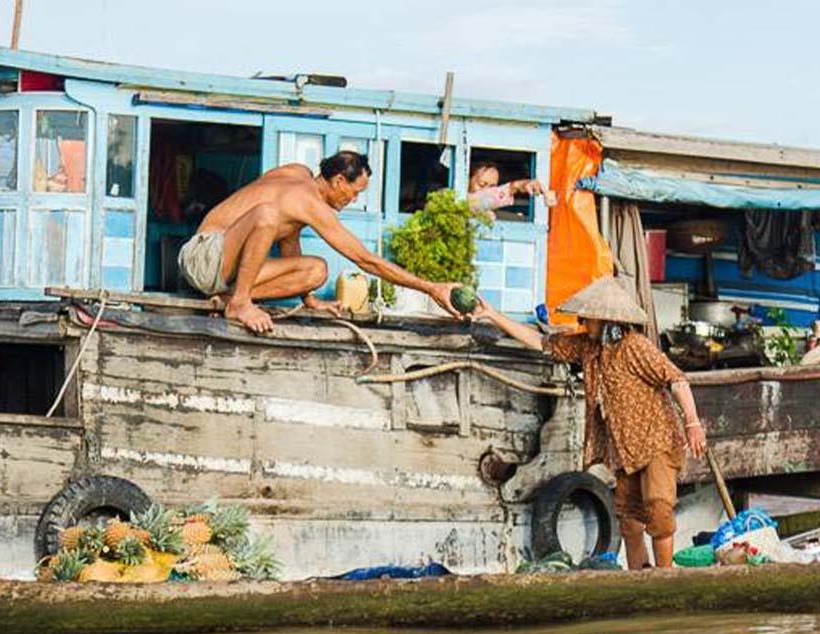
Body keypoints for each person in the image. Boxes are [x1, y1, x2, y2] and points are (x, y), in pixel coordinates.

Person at [474, 277, 708, 569]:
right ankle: (641, 579)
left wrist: (693, 423)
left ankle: (665, 578)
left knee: (659, 513)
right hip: (626, 450)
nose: (584, 322)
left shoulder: (635, 346)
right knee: (630, 523)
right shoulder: (588, 348)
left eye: (589, 318)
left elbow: (676, 379)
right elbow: (542, 343)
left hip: (657, 441)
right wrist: (493, 315)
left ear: (607, 319)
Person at [178, 151, 461, 334]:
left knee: (316, 272)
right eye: (355, 191)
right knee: (266, 214)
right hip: (203, 255)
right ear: (338, 181)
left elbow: (288, 238)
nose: (354, 200)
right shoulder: (311, 203)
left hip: (220, 268)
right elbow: (366, 260)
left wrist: (309, 299)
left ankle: (227, 299)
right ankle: (240, 302)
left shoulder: (298, 173)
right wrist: (430, 288)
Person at [466, 162, 549, 220]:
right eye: (481, 185)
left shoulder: (490, 217)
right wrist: (516, 186)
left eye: (492, 187)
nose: (487, 191)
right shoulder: (460, 200)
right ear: (467, 180)